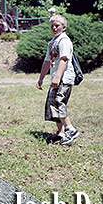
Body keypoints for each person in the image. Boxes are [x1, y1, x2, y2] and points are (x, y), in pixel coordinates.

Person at [36, 15, 80, 146]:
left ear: (64, 27)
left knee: (59, 102)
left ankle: (71, 129)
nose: (54, 28)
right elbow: (46, 61)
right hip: (56, 77)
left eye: (57, 26)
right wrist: (41, 78)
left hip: (64, 77)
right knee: (52, 103)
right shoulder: (52, 42)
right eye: (52, 26)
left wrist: (57, 77)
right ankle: (61, 133)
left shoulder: (64, 40)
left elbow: (64, 59)